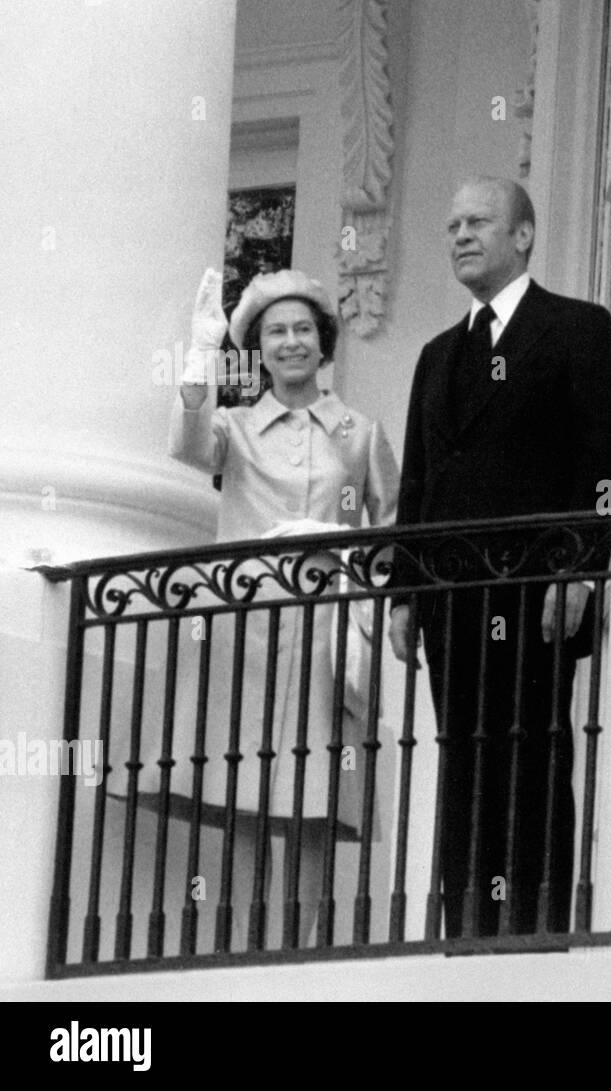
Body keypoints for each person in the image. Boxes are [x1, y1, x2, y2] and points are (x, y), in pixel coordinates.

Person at [388, 176, 611, 938]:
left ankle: (533, 927)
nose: (461, 234)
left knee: (531, 752)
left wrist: (583, 568)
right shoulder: (436, 355)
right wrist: (402, 592)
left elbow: (601, 463)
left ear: (523, 235)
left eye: (479, 222)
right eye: (452, 223)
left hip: (535, 591)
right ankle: (466, 928)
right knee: (463, 758)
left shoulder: (578, 328)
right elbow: (417, 484)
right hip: (451, 599)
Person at [161, 267, 399, 949]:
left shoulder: (358, 431)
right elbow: (184, 444)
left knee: (314, 799)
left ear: (322, 342)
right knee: (242, 794)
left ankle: (300, 959)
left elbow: (394, 533)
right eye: (275, 332)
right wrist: (202, 355)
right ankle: (242, 956)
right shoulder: (234, 427)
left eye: (302, 329)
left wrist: (362, 573)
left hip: (324, 629)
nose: (291, 342)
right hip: (246, 626)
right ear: (258, 349)